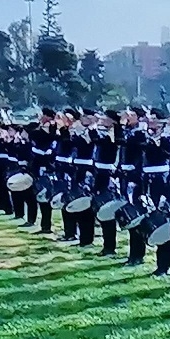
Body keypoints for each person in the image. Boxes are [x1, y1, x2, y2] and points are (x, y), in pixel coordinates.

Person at [143, 108, 170, 277]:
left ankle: (166, 264)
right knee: (153, 218)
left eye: (154, 119)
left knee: (163, 221)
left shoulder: (165, 138)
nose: (150, 122)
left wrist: (162, 140)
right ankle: (159, 263)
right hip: (149, 178)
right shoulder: (149, 137)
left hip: (161, 180)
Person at [90, 109, 122, 256]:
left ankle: (110, 246)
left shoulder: (114, 133)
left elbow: (103, 142)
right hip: (100, 173)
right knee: (100, 210)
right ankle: (107, 245)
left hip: (108, 174)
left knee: (107, 211)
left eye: (106, 119)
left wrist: (94, 126)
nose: (103, 120)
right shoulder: (107, 132)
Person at [119, 107, 148, 266]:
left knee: (137, 216)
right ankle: (133, 254)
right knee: (130, 215)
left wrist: (135, 177)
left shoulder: (139, 133)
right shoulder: (130, 131)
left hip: (135, 177)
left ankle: (138, 254)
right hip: (126, 175)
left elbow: (139, 156)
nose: (127, 116)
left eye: (131, 114)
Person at [71, 109, 99, 248]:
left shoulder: (95, 131)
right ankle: (82, 236)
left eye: (85, 117)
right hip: (78, 168)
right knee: (78, 202)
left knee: (87, 205)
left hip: (89, 168)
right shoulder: (80, 130)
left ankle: (88, 238)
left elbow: (92, 145)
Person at [29, 108, 59, 235]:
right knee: (40, 197)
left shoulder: (51, 132)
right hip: (38, 166)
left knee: (45, 196)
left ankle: (46, 226)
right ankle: (44, 225)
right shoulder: (40, 131)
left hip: (47, 167)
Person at [55, 109, 80, 242]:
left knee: (72, 201)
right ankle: (68, 231)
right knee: (64, 201)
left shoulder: (74, 133)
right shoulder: (63, 132)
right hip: (62, 169)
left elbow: (70, 146)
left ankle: (73, 232)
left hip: (71, 170)